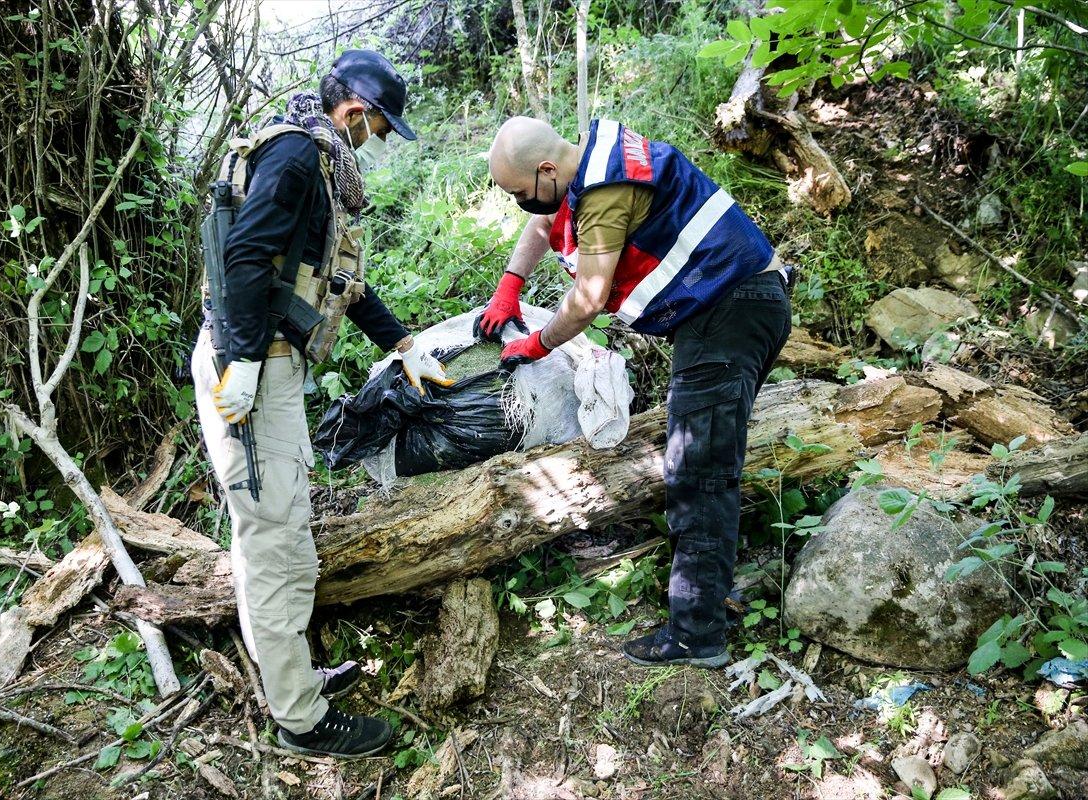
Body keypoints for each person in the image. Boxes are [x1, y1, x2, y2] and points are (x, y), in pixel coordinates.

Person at [191, 50, 451, 758]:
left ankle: (295, 678)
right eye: (381, 127)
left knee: (291, 530)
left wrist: (403, 345)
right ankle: (299, 720)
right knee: (272, 542)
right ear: (354, 112)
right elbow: (244, 258)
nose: (380, 141)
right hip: (247, 368)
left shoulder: (320, 169)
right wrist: (242, 360)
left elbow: (338, 285)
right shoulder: (302, 157)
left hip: (271, 368)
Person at [479, 116, 792, 668]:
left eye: (521, 192)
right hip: (730, 308)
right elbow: (540, 224)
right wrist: (510, 287)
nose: (523, 204)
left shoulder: (604, 192)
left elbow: (589, 296)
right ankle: (715, 594)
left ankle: (698, 633)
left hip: (730, 310)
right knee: (708, 462)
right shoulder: (586, 163)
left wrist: (539, 344)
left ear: (546, 169)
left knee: (697, 471)